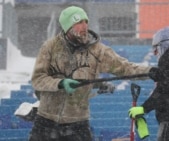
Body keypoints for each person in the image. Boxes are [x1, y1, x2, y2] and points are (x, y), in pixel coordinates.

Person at [29, 6, 158, 141]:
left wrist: (149, 71)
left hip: (78, 123)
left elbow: (125, 67)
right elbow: (38, 79)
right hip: (46, 121)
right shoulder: (49, 48)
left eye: (86, 21)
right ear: (67, 26)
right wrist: (60, 83)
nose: (84, 26)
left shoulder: (97, 51)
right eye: (79, 22)